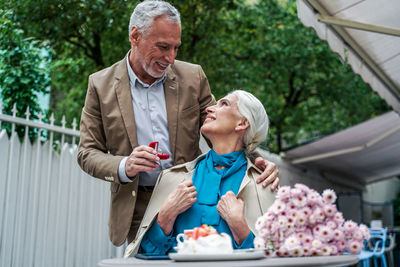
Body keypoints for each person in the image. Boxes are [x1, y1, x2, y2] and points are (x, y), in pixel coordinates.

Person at [77, 0, 279, 247]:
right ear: (135, 36)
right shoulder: (100, 85)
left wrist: (255, 160)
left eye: (176, 48)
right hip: (136, 205)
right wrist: (125, 165)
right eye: (163, 47)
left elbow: (224, 128)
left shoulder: (193, 77)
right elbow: (87, 153)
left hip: (191, 198)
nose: (171, 58)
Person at [124, 90, 276, 257]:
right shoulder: (170, 178)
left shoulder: (264, 183)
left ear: (242, 123)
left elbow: (275, 257)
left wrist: (240, 228)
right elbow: (147, 255)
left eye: (224, 104)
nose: (209, 109)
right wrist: (166, 216)